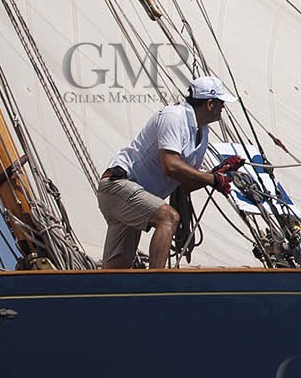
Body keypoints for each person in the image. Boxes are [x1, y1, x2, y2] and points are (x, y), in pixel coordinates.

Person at [96, 75, 244, 269]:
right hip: (118, 186)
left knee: (117, 268)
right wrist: (212, 178)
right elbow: (170, 165)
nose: (223, 107)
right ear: (210, 104)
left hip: (134, 195)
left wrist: (217, 173)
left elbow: (185, 184)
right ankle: (158, 283)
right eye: (221, 102)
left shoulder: (203, 133)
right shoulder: (173, 117)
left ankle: (106, 297)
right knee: (168, 217)